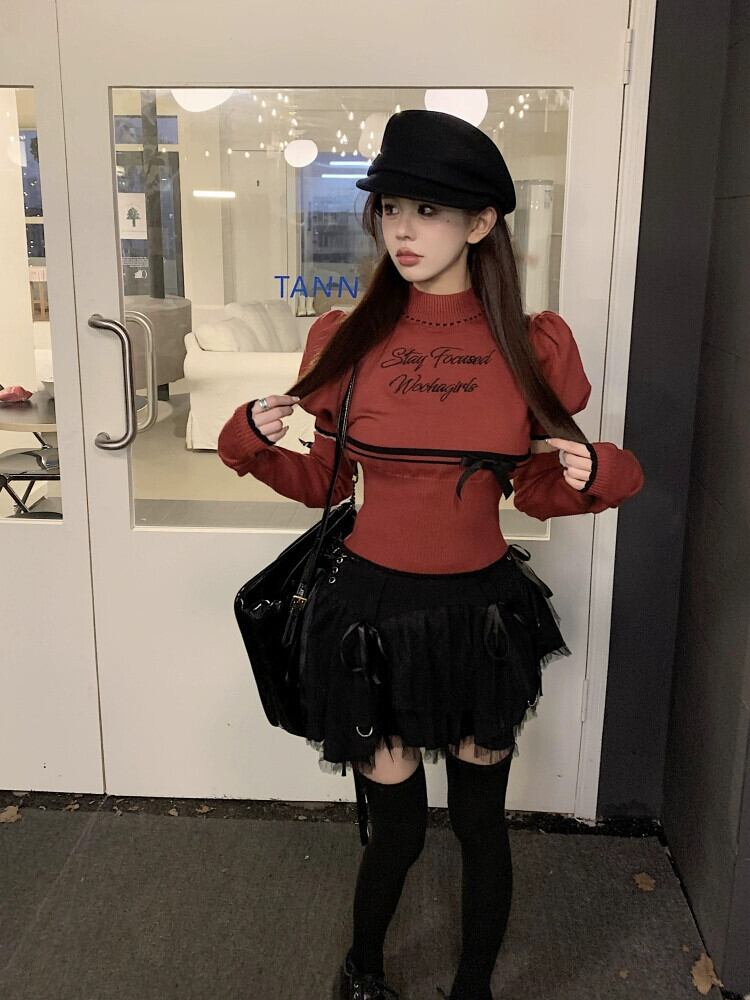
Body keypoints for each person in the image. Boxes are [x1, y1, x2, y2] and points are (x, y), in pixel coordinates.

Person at [218, 109, 645, 1000]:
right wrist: (247, 443)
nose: (402, 230)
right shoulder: (347, 341)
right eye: (390, 208)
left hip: (479, 619)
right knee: (403, 829)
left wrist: (601, 476)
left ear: (481, 222)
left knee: (481, 827)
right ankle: (362, 969)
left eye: (429, 210)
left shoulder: (531, 346)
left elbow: (536, 488)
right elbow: (324, 482)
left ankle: (473, 988)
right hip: (367, 619)